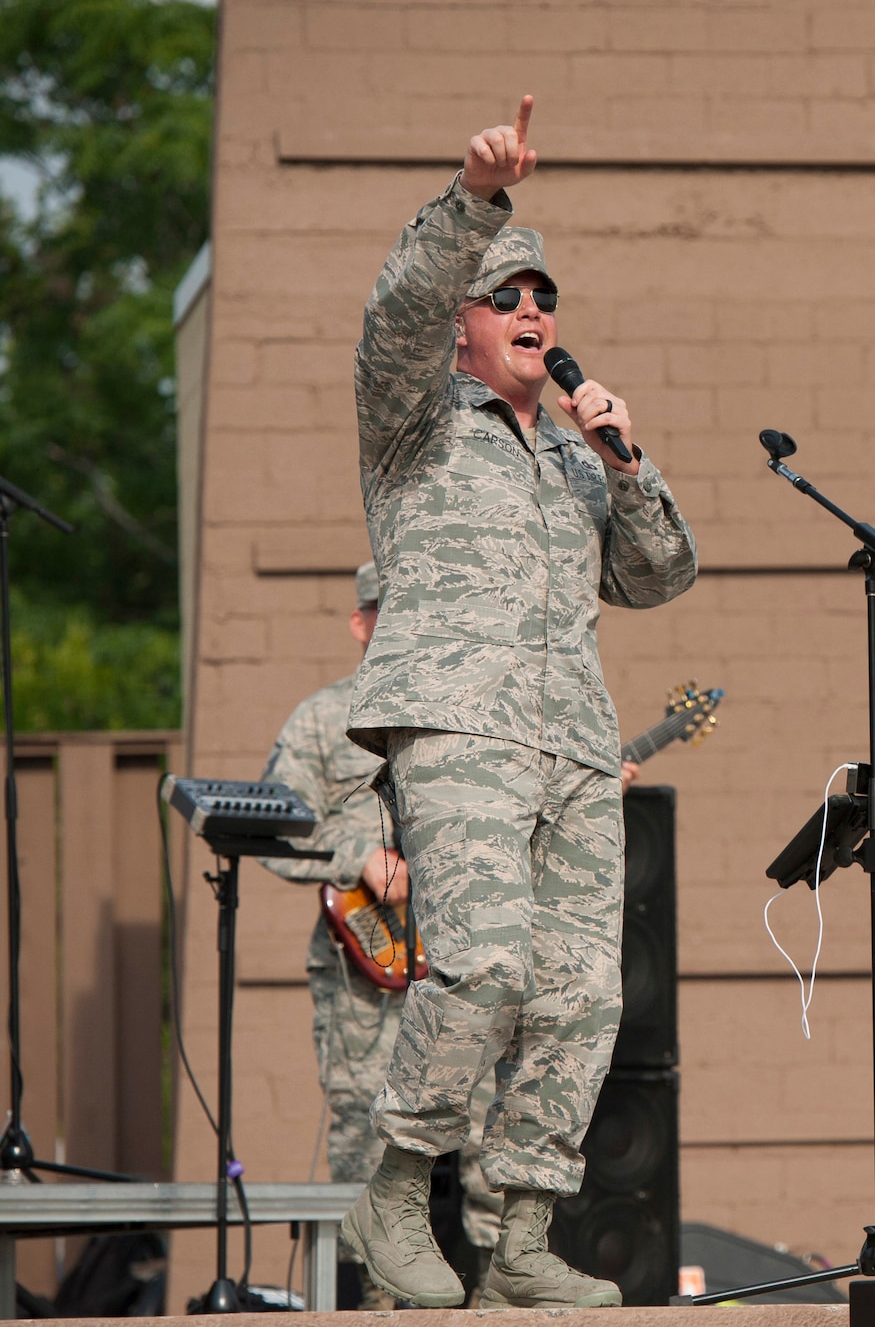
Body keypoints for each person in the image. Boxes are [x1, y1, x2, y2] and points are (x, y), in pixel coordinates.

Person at [339, 96, 697, 1310]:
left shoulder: (569, 456)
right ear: (462, 329)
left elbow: (659, 577)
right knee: (484, 966)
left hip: (574, 747)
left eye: (544, 295)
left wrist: (623, 463)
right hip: (457, 721)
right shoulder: (414, 419)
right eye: (507, 293)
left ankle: (522, 1235)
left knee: (584, 994)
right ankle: (394, 1185)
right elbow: (394, 309)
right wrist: (473, 199)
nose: (534, 310)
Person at [260, 562, 501, 1306]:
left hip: (458, 964)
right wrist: (356, 854)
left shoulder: (469, 713)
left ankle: (501, 1296)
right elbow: (272, 822)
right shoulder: (320, 718)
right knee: (365, 1139)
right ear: (362, 621)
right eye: (385, 611)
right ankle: (370, 1306)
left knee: (488, 1129)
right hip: (365, 976)